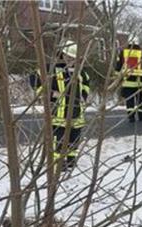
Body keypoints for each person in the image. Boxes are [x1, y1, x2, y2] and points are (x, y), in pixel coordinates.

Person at [30, 40, 90, 171]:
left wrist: (83, 95)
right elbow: (34, 78)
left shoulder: (81, 72)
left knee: (73, 143)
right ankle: (58, 165)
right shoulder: (51, 69)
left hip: (77, 116)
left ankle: (70, 163)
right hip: (58, 116)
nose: (70, 60)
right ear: (62, 55)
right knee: (59, 143)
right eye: (68, 57)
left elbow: (86, 84)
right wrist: (48, 94)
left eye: (73, 58)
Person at [115, 38, 142, 123]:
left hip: (127, 82)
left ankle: (131, 117)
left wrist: (118, 78)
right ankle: (141, 117)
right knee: (140, 100)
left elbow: (118, 66)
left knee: (129, 101)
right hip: (139, 82)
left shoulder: (123, 53)